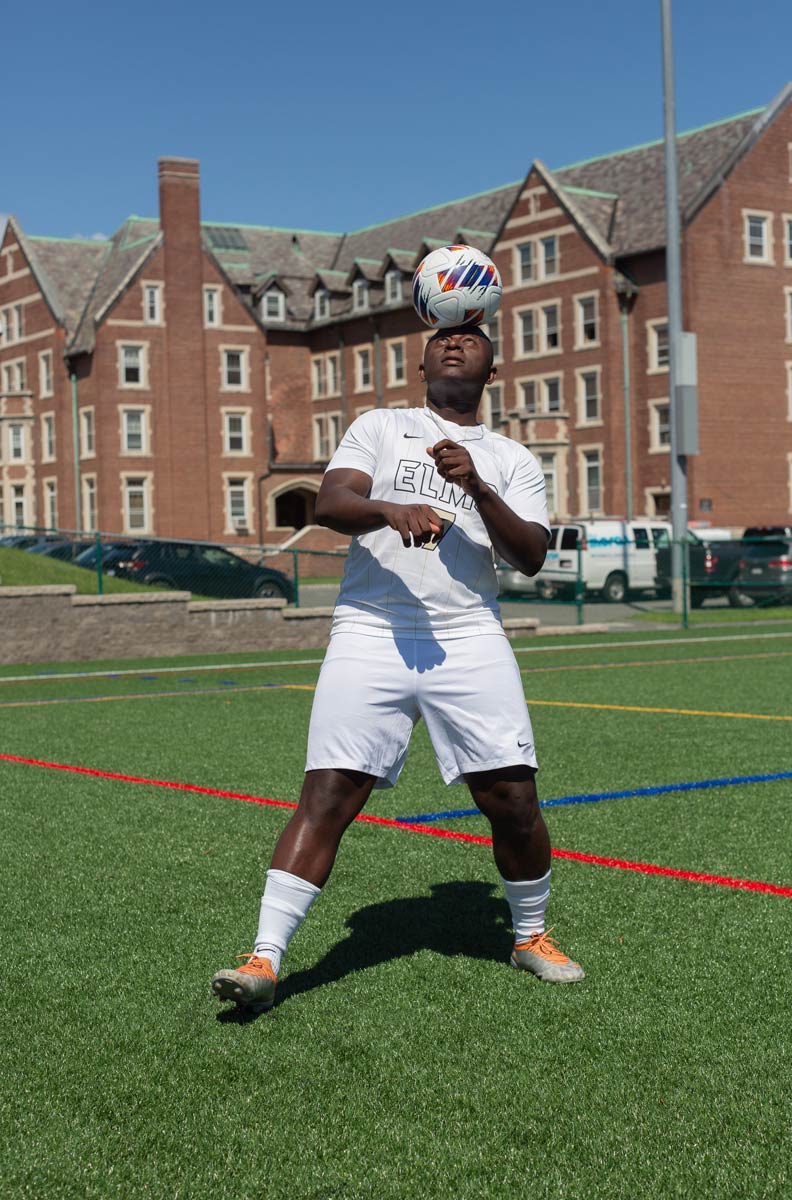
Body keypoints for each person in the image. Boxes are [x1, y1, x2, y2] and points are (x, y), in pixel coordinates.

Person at [212, 324, 584, 1010]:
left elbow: (531, 553)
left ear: (492, 371)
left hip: (469, 633)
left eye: (472, 339)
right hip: (372, 628)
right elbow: (330, 501)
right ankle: (263, 960)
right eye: (443, 337)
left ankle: (529, 935)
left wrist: (476, 487)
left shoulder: (511, 456)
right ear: (420, 362)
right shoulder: (380, 426)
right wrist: (389, 508)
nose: (455, 345)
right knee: (328, 794)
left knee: (515, 801)